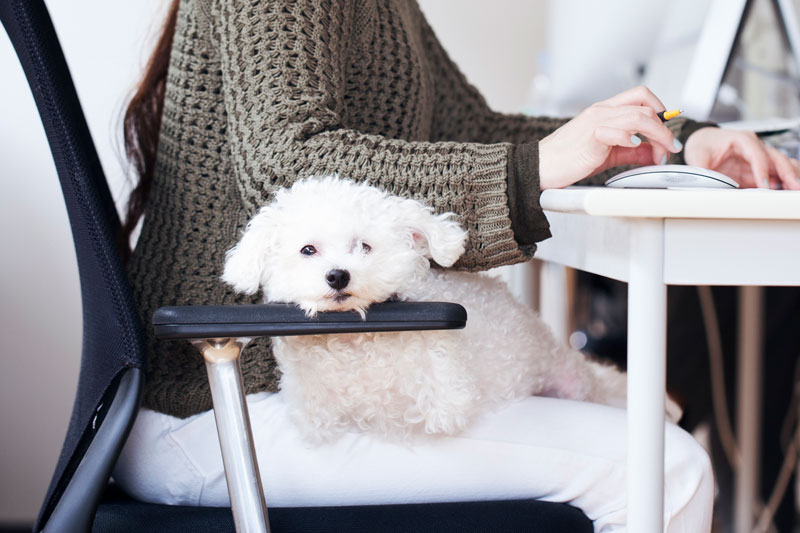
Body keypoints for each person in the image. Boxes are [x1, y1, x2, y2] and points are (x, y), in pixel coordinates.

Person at [112, 0, 799, 530]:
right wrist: (537, 167)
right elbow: (291, 162)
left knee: (650, 441)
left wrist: (669, 144)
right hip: (224, 401)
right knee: (666, 467)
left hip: (284, 387)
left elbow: (474, 130)